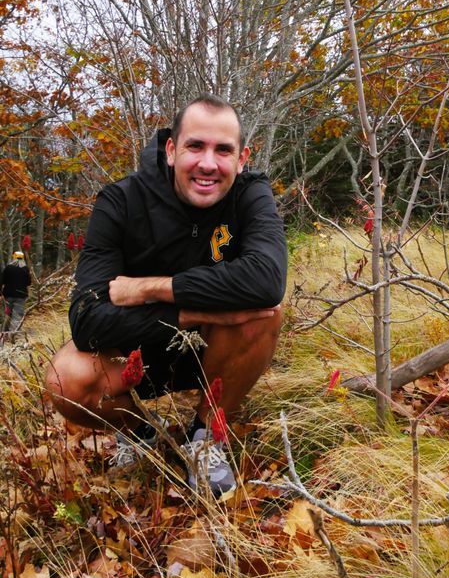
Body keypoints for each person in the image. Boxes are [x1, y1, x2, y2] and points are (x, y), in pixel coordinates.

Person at [45, 95, 287, 498]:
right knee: (65, 379)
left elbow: (266, 282)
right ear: (172, 150)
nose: (208, 163)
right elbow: (87, 320)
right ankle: (138, 432)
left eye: (223, 150)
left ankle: (206, 436)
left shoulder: (250, 195)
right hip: (137, 354)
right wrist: (188, 313)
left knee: (263, 313)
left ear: (241, 158)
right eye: (195, 146)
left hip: (214, 354)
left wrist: (149, 288)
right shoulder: (120, 202)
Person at [1, 250, 31, 331]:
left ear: (14, 257)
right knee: (17, 315)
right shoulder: (25, 268)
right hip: (21, 296)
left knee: (7, 314)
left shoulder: (8, 268)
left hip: (8, 295)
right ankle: (13, 333)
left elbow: (2, 281)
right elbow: (29, 282)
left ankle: (3, 333)